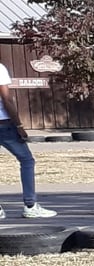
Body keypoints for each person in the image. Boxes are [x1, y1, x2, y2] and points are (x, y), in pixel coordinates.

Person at [0, 63, 55, 218]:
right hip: (4, 125)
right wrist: (18, 125)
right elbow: (6, 99)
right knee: (27, 160)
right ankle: (30, 205)